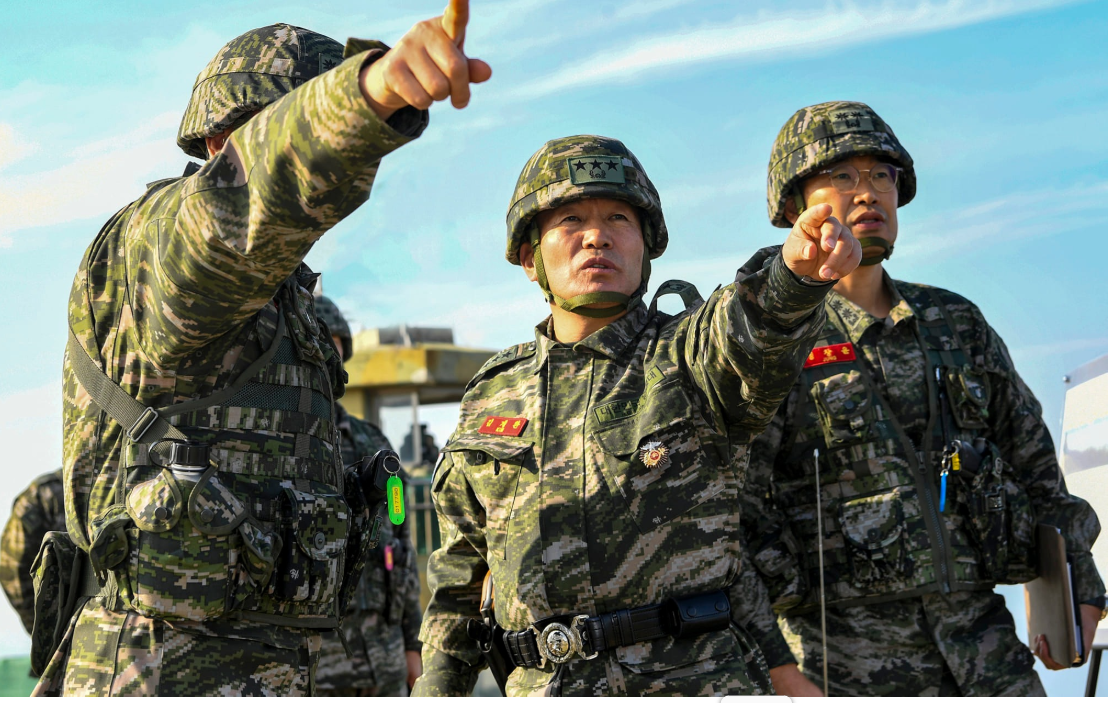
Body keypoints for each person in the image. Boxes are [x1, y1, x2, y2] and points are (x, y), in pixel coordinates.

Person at [42, 3, 490, 695]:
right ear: (226, 142)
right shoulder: (158, 248)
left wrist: (402, 639)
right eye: (291, 121)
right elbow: (243, 203)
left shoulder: (314, 350)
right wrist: (366, 97)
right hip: (163, 671)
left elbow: (393, 548)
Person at [411, 134, 861, 696]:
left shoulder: (686, 355)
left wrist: (792, 276)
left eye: (618, 218)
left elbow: (749, 326)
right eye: (570, 219)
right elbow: (458, 579)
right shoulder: (492, 394)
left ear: (646, 246)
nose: (596, 235)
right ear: (530, 258)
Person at [742, 100, 1106, 697]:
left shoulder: (954, 322)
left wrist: (1079, 585)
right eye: (842, 177)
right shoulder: (770, 339)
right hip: (838, 661)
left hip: (984, 650)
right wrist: (777, 669)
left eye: (881, 176)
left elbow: (1035, 470)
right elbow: (741, 520)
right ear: (792, 206)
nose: (868, 195)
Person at [312, 295, 423, 696]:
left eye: (333, 344)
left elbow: (401, 542)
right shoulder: (276, 444)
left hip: (382, 653)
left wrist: (412, 644)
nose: (324, 353)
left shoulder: (370, 441)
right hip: (307, 656)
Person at [0, 469, 66, 635]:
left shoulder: (48, 492)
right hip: (73, 636)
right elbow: (13, 570)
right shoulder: (47, 494)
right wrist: (46, 632)